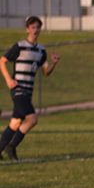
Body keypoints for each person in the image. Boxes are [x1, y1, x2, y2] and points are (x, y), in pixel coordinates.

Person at [0, 16, 60, 160]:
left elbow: (46, 72)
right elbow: (2, 61)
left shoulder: (41, 50)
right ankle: (11, 146)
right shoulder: (19, 46)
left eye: (38, 27)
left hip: (28, 91)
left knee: (15, 123)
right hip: (18, 89)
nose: (35, 30)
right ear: (27, 29)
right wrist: (8, 80)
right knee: (32, 120)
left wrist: (54, 63)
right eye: (32, 27)